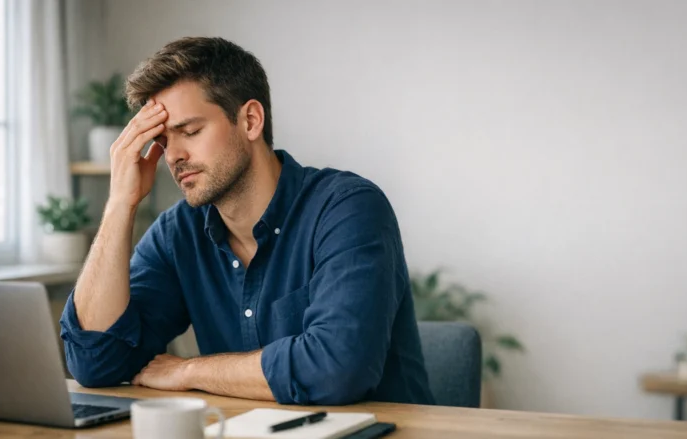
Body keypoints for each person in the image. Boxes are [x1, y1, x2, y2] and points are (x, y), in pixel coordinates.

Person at [59, 37, 434, 406]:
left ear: (251, 120)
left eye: (190, 132)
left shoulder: (347, 208)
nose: (173, 156)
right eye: (162, 141)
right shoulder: (179, 233)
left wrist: (189, 371)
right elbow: (95, 362)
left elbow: (337, 368)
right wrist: (120, 204)